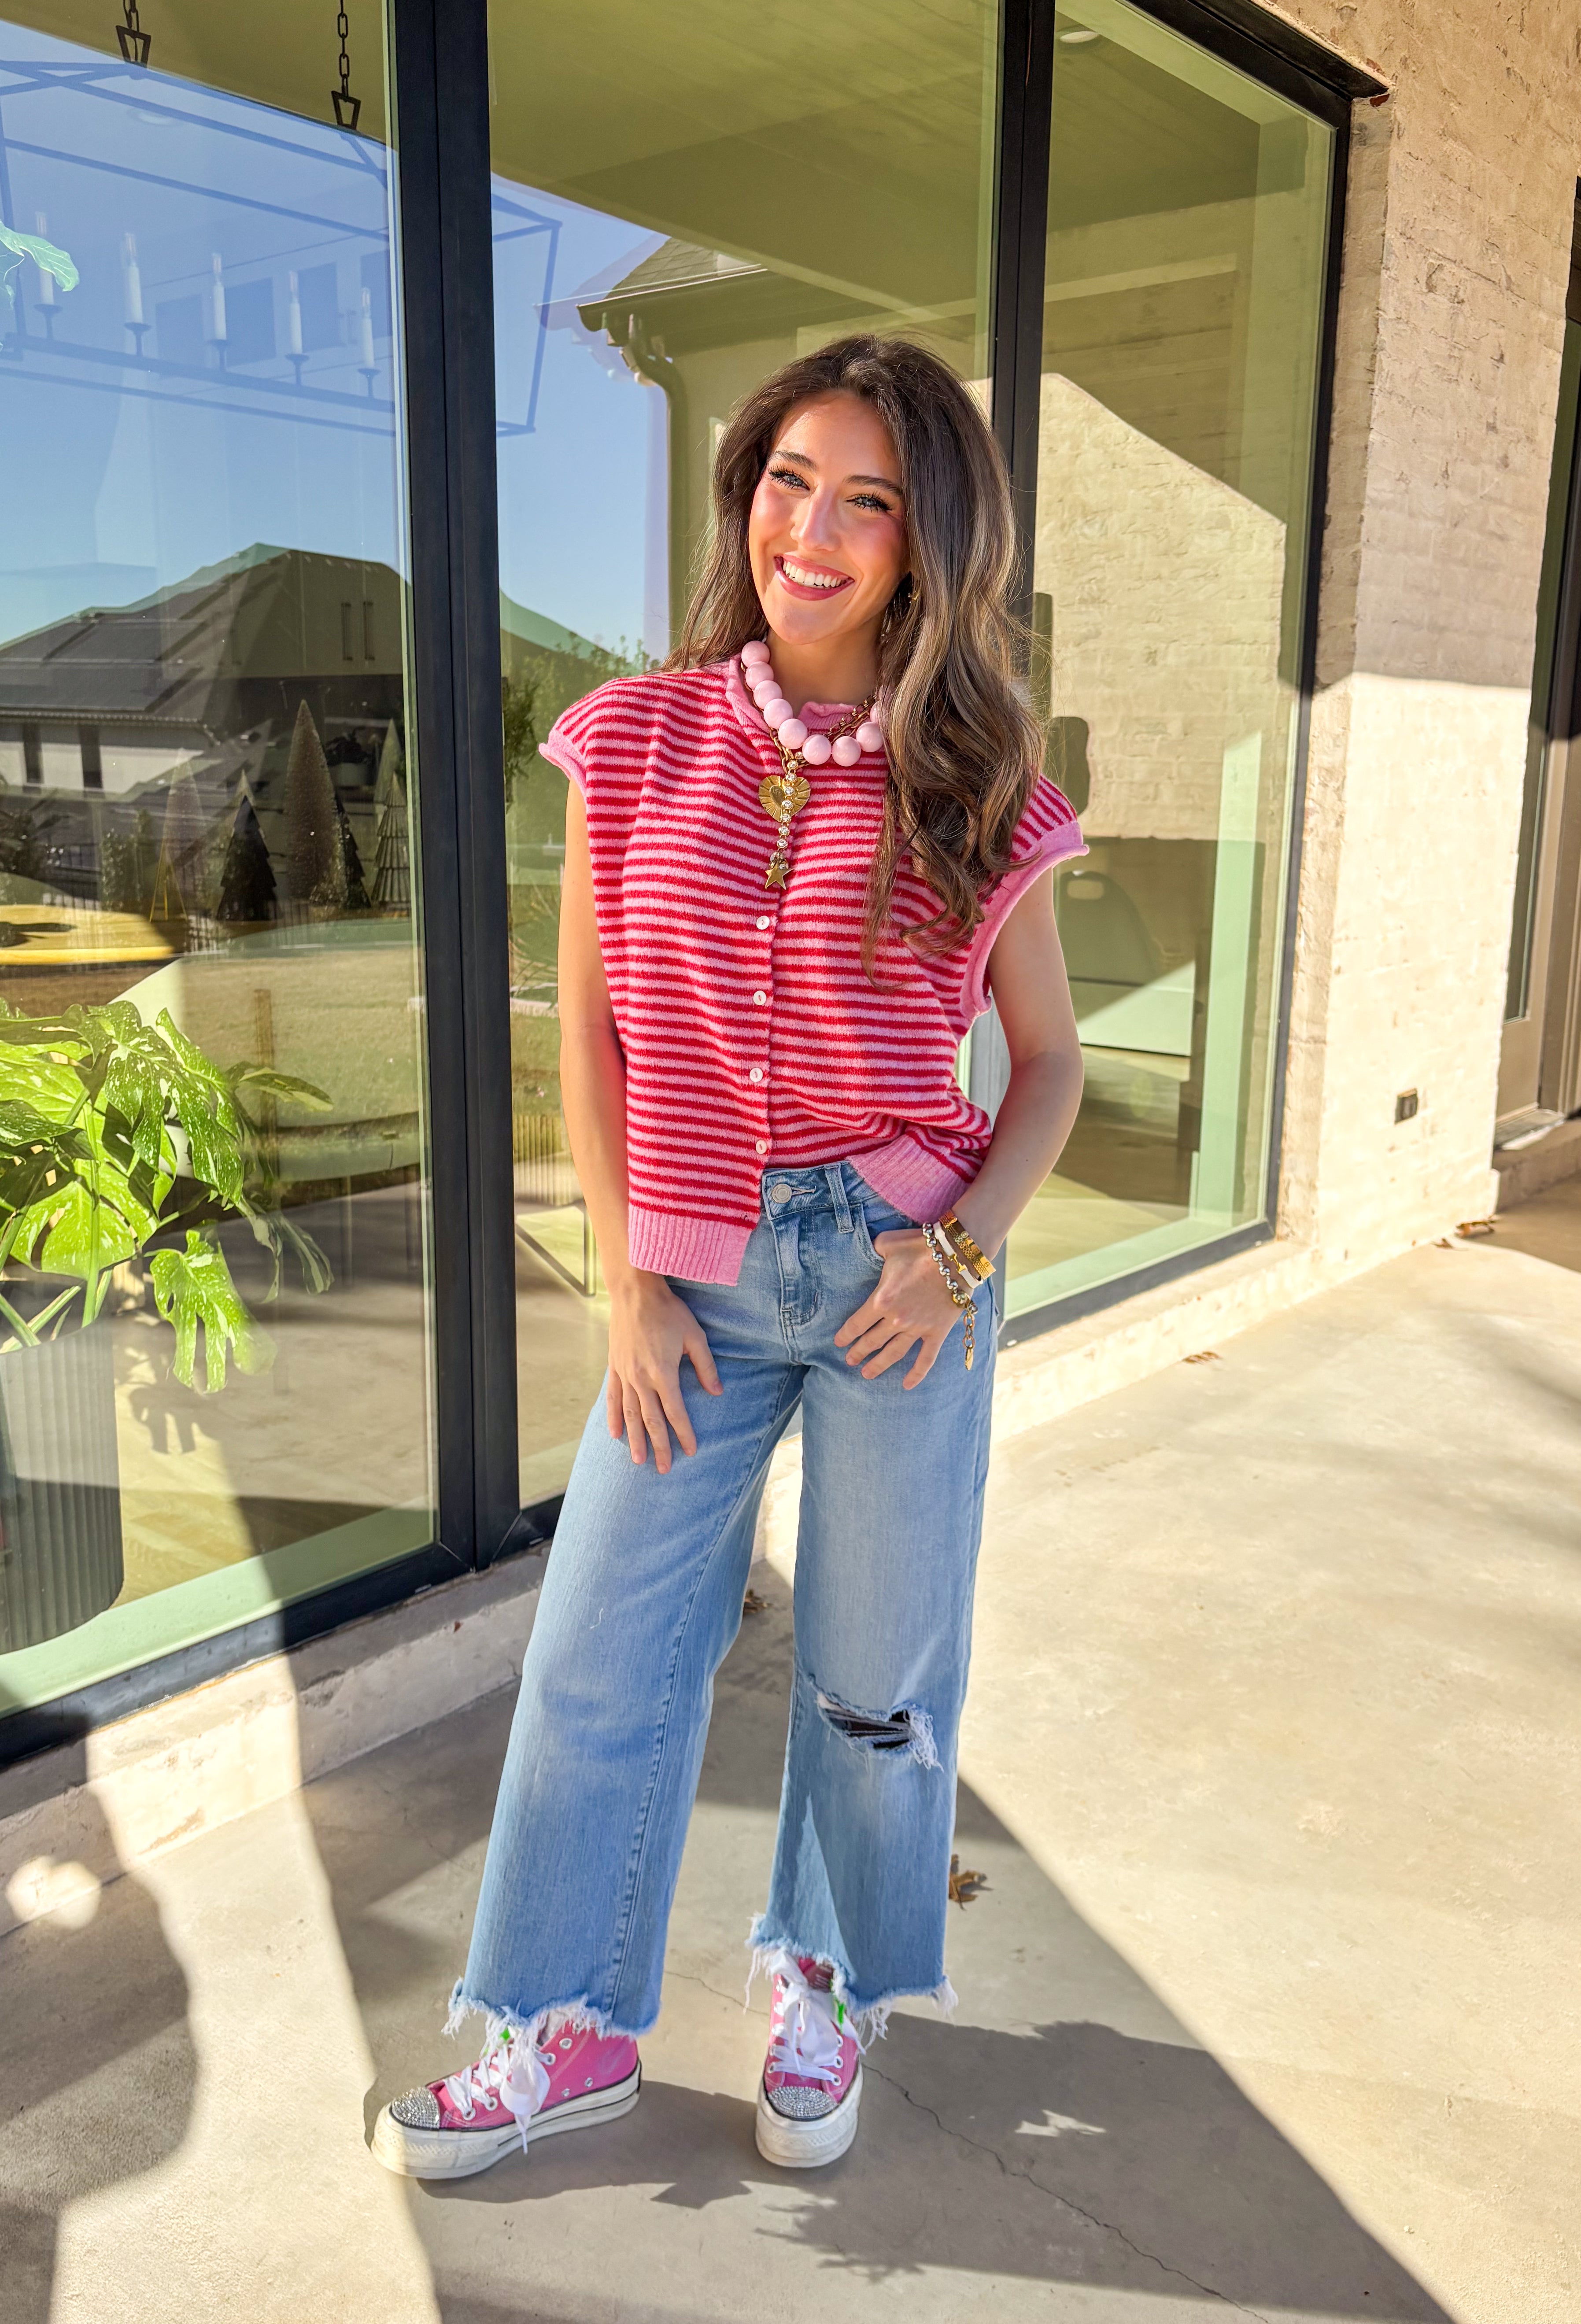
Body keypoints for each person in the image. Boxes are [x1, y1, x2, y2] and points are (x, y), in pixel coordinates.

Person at [373, 335, 1086, 2181]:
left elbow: (1049, 1067)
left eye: (867, 503)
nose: (813, 533)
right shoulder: (631, 739)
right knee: (598, 1654)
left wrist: (955, 1258)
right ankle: (563, 2025)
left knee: (873, 1671)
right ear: (743, 494)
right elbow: (594, 1036)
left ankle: (824, 1987)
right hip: (689, 1278)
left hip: (899, 1275)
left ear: (926, 547)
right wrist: (621, 1283)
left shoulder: (976, 777)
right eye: (788, 482)